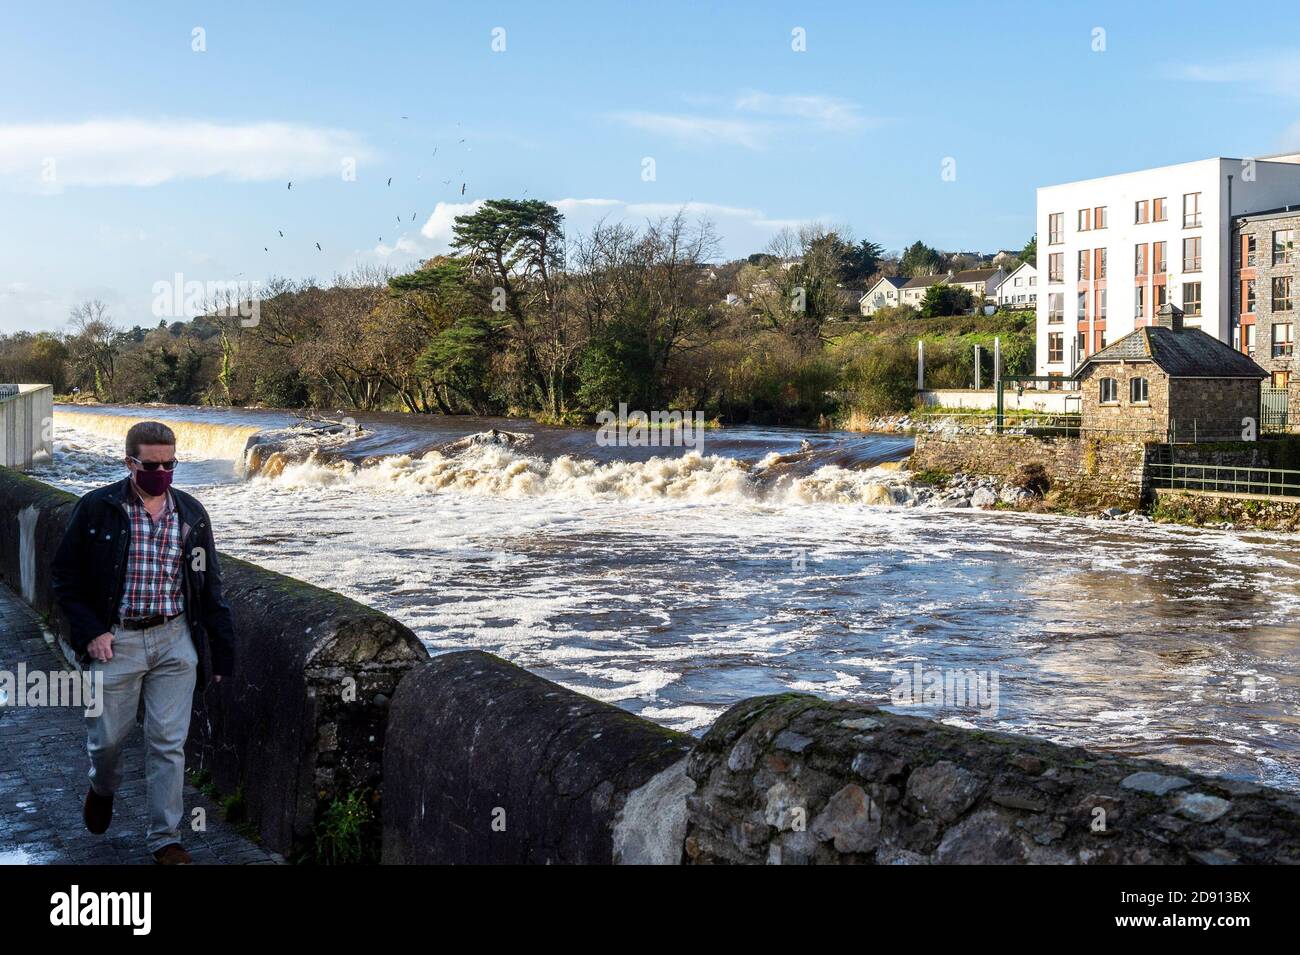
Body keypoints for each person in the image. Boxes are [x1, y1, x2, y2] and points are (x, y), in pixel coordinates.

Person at [51, 420, 235, 865]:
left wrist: (221, 648)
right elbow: (65, 576)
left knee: (168, 743)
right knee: (108, 741)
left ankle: (165, 838)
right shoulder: (97, 509)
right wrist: (92, 631)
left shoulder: (191, 514)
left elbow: (209, 586)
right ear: (129, 462)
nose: (161, 472)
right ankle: (102, 786)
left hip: (174, 640)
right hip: (118, 641)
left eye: (170, 464)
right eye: (151, 464)